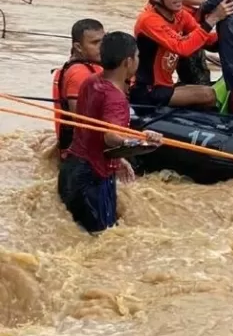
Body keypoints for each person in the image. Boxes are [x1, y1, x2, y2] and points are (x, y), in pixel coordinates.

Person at [58, 32, 162, 234]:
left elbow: (89, 128)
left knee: (80, 240)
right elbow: (111, 137)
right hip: (92, 178)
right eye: (138, 57)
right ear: (128, 62)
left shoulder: (91, 81)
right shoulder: (116, 98)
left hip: (71, 169)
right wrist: (143, 139)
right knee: (103, 240)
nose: (138, 61)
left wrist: (119, 160)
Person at [131, 0, 233, 108]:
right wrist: (213, 19)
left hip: (165, 86)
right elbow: (183, 47)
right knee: (208, 95)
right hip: (148, 90)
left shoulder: (180, 15)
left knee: (211, 89)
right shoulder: (148, 20)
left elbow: (206, 40)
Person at [53, 19, 105, 154]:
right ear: (78, 47)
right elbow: (82, 121)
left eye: (103, 41)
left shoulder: (89, 66)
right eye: (95, 43)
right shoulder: (79, 73)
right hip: (79, 153)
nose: (102, 47)